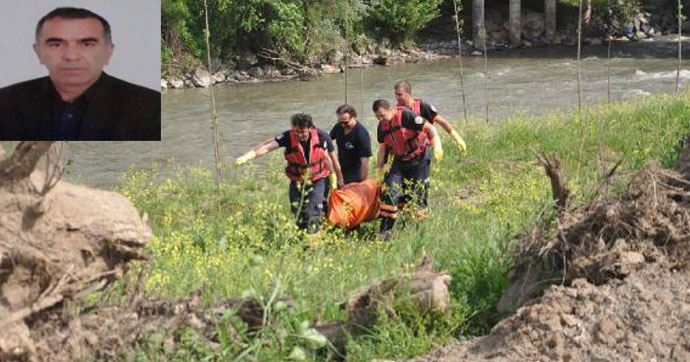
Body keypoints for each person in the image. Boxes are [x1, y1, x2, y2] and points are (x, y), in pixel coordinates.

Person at [0, 7, 160, 141]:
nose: (71, 56)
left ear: (108, 52)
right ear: (38, 52)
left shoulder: (151, 108)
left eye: (87, 44)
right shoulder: (5, 103)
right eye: (56, 44)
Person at [234, 113, 344, 234]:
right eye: (297, 131)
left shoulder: (322, 136)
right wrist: (250, 156)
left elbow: (330, 158)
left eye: (303, 132)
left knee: (313, 210)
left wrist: (335, 177)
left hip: (318, 179)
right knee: (297, 211)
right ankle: (302, 238)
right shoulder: (288, 136)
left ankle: (315, 241)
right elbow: (268, 147)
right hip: (297, 180)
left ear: (310, 128)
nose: (300, 135)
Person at [394, 80, 467, 213]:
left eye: (400, 95)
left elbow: (441, 121)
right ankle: (406, 215)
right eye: (396, 95)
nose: (397, 98)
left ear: (409, 93)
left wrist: (456, 137)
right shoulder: (397, 112)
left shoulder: (422, 107)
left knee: (421, 183)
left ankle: (422, 212)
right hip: (406, 154)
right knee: (404, 187)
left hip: (424, 149)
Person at [373, 99, 440, 240]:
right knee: (390, 192)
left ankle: (419, 230)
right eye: (377, 117)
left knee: (418, 194)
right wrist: (379, 171)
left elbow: (429, 128)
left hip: (419, 158)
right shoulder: (382, 126)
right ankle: (385, 232)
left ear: (391, 109)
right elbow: (383, 148)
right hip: (400, 161)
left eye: (382, 115)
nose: (381, 119)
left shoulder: (406, 116)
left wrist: (437, 142)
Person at [329, 104, 372, 185]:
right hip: (341, 168)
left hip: (355, 172)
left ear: (353, 117)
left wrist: (362, 183)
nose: (343, 125)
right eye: (340, 122)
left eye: (346, 122)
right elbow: (328, 139)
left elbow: (365, 162)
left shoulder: (361, 134)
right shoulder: (339, 127)